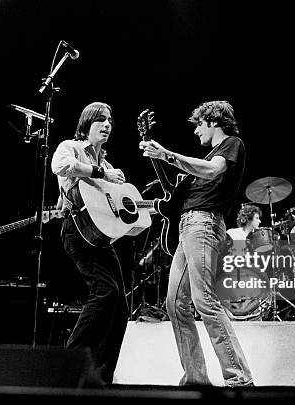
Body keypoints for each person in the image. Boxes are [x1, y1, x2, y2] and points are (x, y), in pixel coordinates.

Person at [139, 100, 253, 387]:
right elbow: (173, 196)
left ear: (213, 121)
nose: (196, 132)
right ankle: (196, 378)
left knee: (205, 301)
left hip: (204, 224)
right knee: (175, 303)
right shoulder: (201, 162)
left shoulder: (231, 144)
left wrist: (166, 154)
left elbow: (213, 171)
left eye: (199, 124)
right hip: (188, 227)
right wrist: (159, 158)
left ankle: (240, 378)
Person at [51, 102, 128, 384]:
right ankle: (69, 365)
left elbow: (115, 206)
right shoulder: (70, 147)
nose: (108, 125)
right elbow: (59, 166)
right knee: (106, 292)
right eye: (102, 120)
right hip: (77, 230)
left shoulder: (106, 162)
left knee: (121, 306)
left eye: (110, 121)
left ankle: (101, 377)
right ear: (87, 123)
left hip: (101, 236)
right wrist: (100, 173)